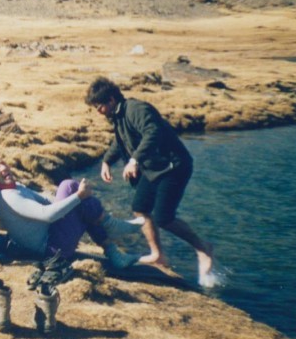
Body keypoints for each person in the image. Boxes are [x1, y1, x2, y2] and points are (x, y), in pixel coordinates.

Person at [85, 77, 216, 285]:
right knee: (140, 208)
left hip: (174, 166)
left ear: (110, 100)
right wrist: (106, 162)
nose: (98, 111)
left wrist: (135, 160)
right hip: (153, 169)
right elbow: (120, 141)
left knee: (164, 218)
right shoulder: (118, 117)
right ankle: (158, 255)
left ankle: (203, 248)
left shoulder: (136, 109)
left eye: (99, 106)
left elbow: (152, 133)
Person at [0, 155, 142, 269]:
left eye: (2, 163)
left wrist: (73, 199)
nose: (3, 168)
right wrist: (78, 196)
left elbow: (47, 202)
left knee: (74, 198)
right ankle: (110, 226)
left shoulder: (15, 188)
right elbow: (48, 215)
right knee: (69, 187)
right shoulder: (7, 197)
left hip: (54, 240)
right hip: (53, 250)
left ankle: (114, 250)